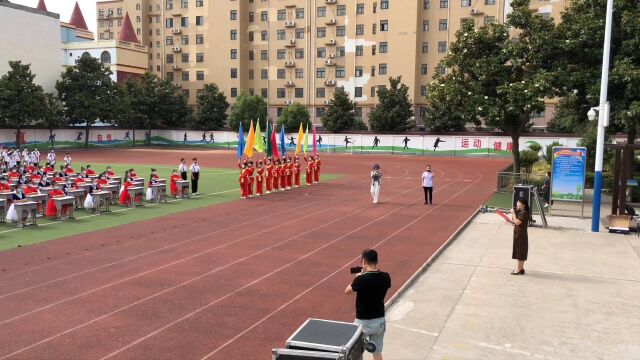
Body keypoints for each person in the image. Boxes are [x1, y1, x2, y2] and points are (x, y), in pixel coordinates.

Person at [345, 249, 391, 360]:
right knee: (377, 352)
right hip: (379, 321)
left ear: (364, 261)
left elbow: (347, 291)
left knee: (354, 353)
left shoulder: (361, 279)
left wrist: (357, 277)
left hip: (362, 323)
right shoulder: (386, 277)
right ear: (376, 261)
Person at [510, 198, 530, 275]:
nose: (517, 204)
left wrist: (513, 213)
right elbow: (516, 222)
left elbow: (517, 222)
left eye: (518, 203)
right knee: (521, 251)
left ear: (523, 205)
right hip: (520, 234)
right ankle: (521, 269)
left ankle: (518, 270)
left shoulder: (523, 212)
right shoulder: (522, 212)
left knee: (520, 251)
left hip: (520, 235)